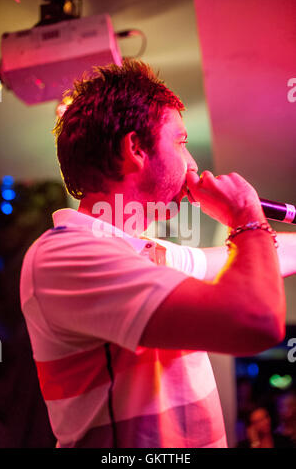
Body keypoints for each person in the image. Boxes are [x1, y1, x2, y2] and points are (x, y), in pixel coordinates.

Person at [19, 59, 295, 448]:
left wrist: (251, 228)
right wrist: (245, 216)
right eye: (181, 142)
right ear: (135, 148)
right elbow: (256, 321)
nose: (194, 165)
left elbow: (266, 254)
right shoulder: (64, 255)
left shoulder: (145, 254)